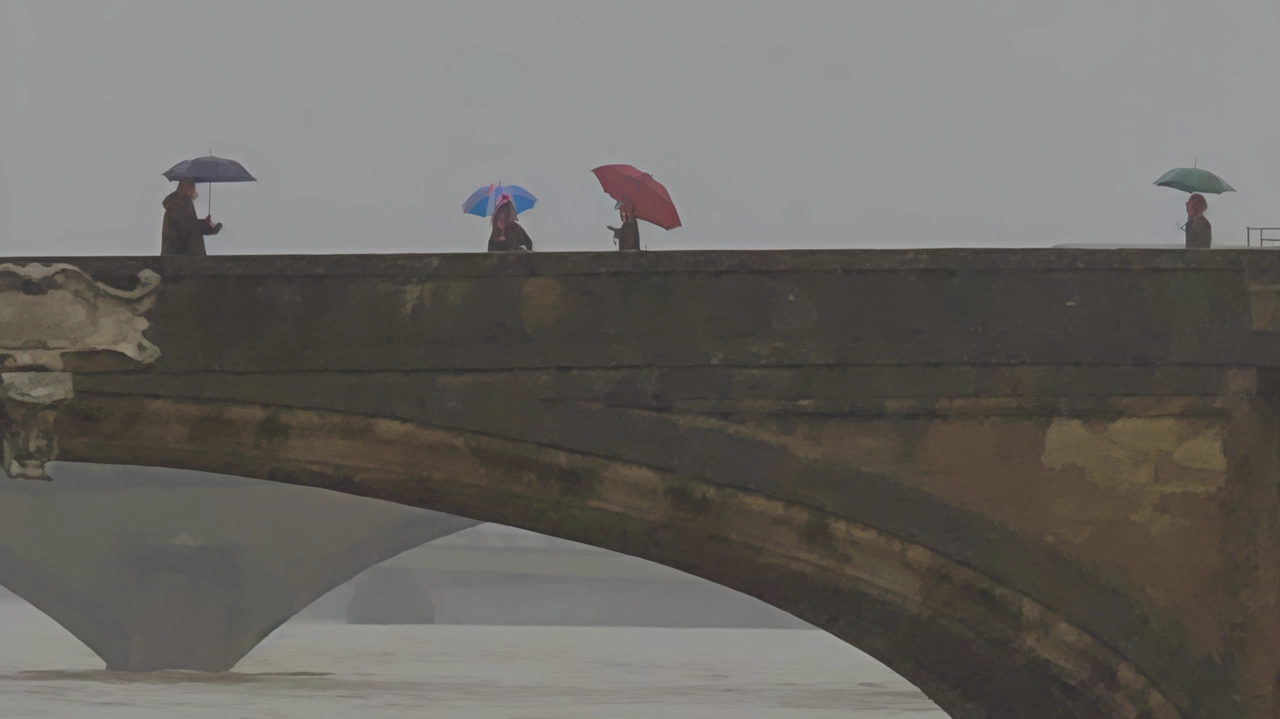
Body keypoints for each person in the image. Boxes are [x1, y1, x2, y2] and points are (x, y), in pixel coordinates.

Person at [161, 179, 222, 255]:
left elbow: (188, 222)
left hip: (184, 256)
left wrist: (205, 223)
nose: (195, 192)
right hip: (179, 257)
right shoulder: (176, 203)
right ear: (186, 188)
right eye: (193, 188)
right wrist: (206, 226)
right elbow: (186, 224)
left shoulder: (182, 202)